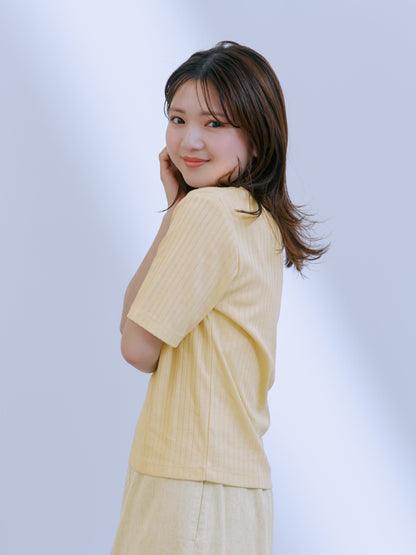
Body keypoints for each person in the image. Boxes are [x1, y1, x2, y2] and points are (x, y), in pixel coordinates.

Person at [111, 40, 327, 555]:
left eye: (214, 123)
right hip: (231, 488)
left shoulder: (209, 213)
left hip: (188, 487)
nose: (189, 140)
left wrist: (182, 212)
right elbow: (138, 324)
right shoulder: (254, 219)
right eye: (178, 119)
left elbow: (136, 346)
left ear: (257, 136)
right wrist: (175, 211)